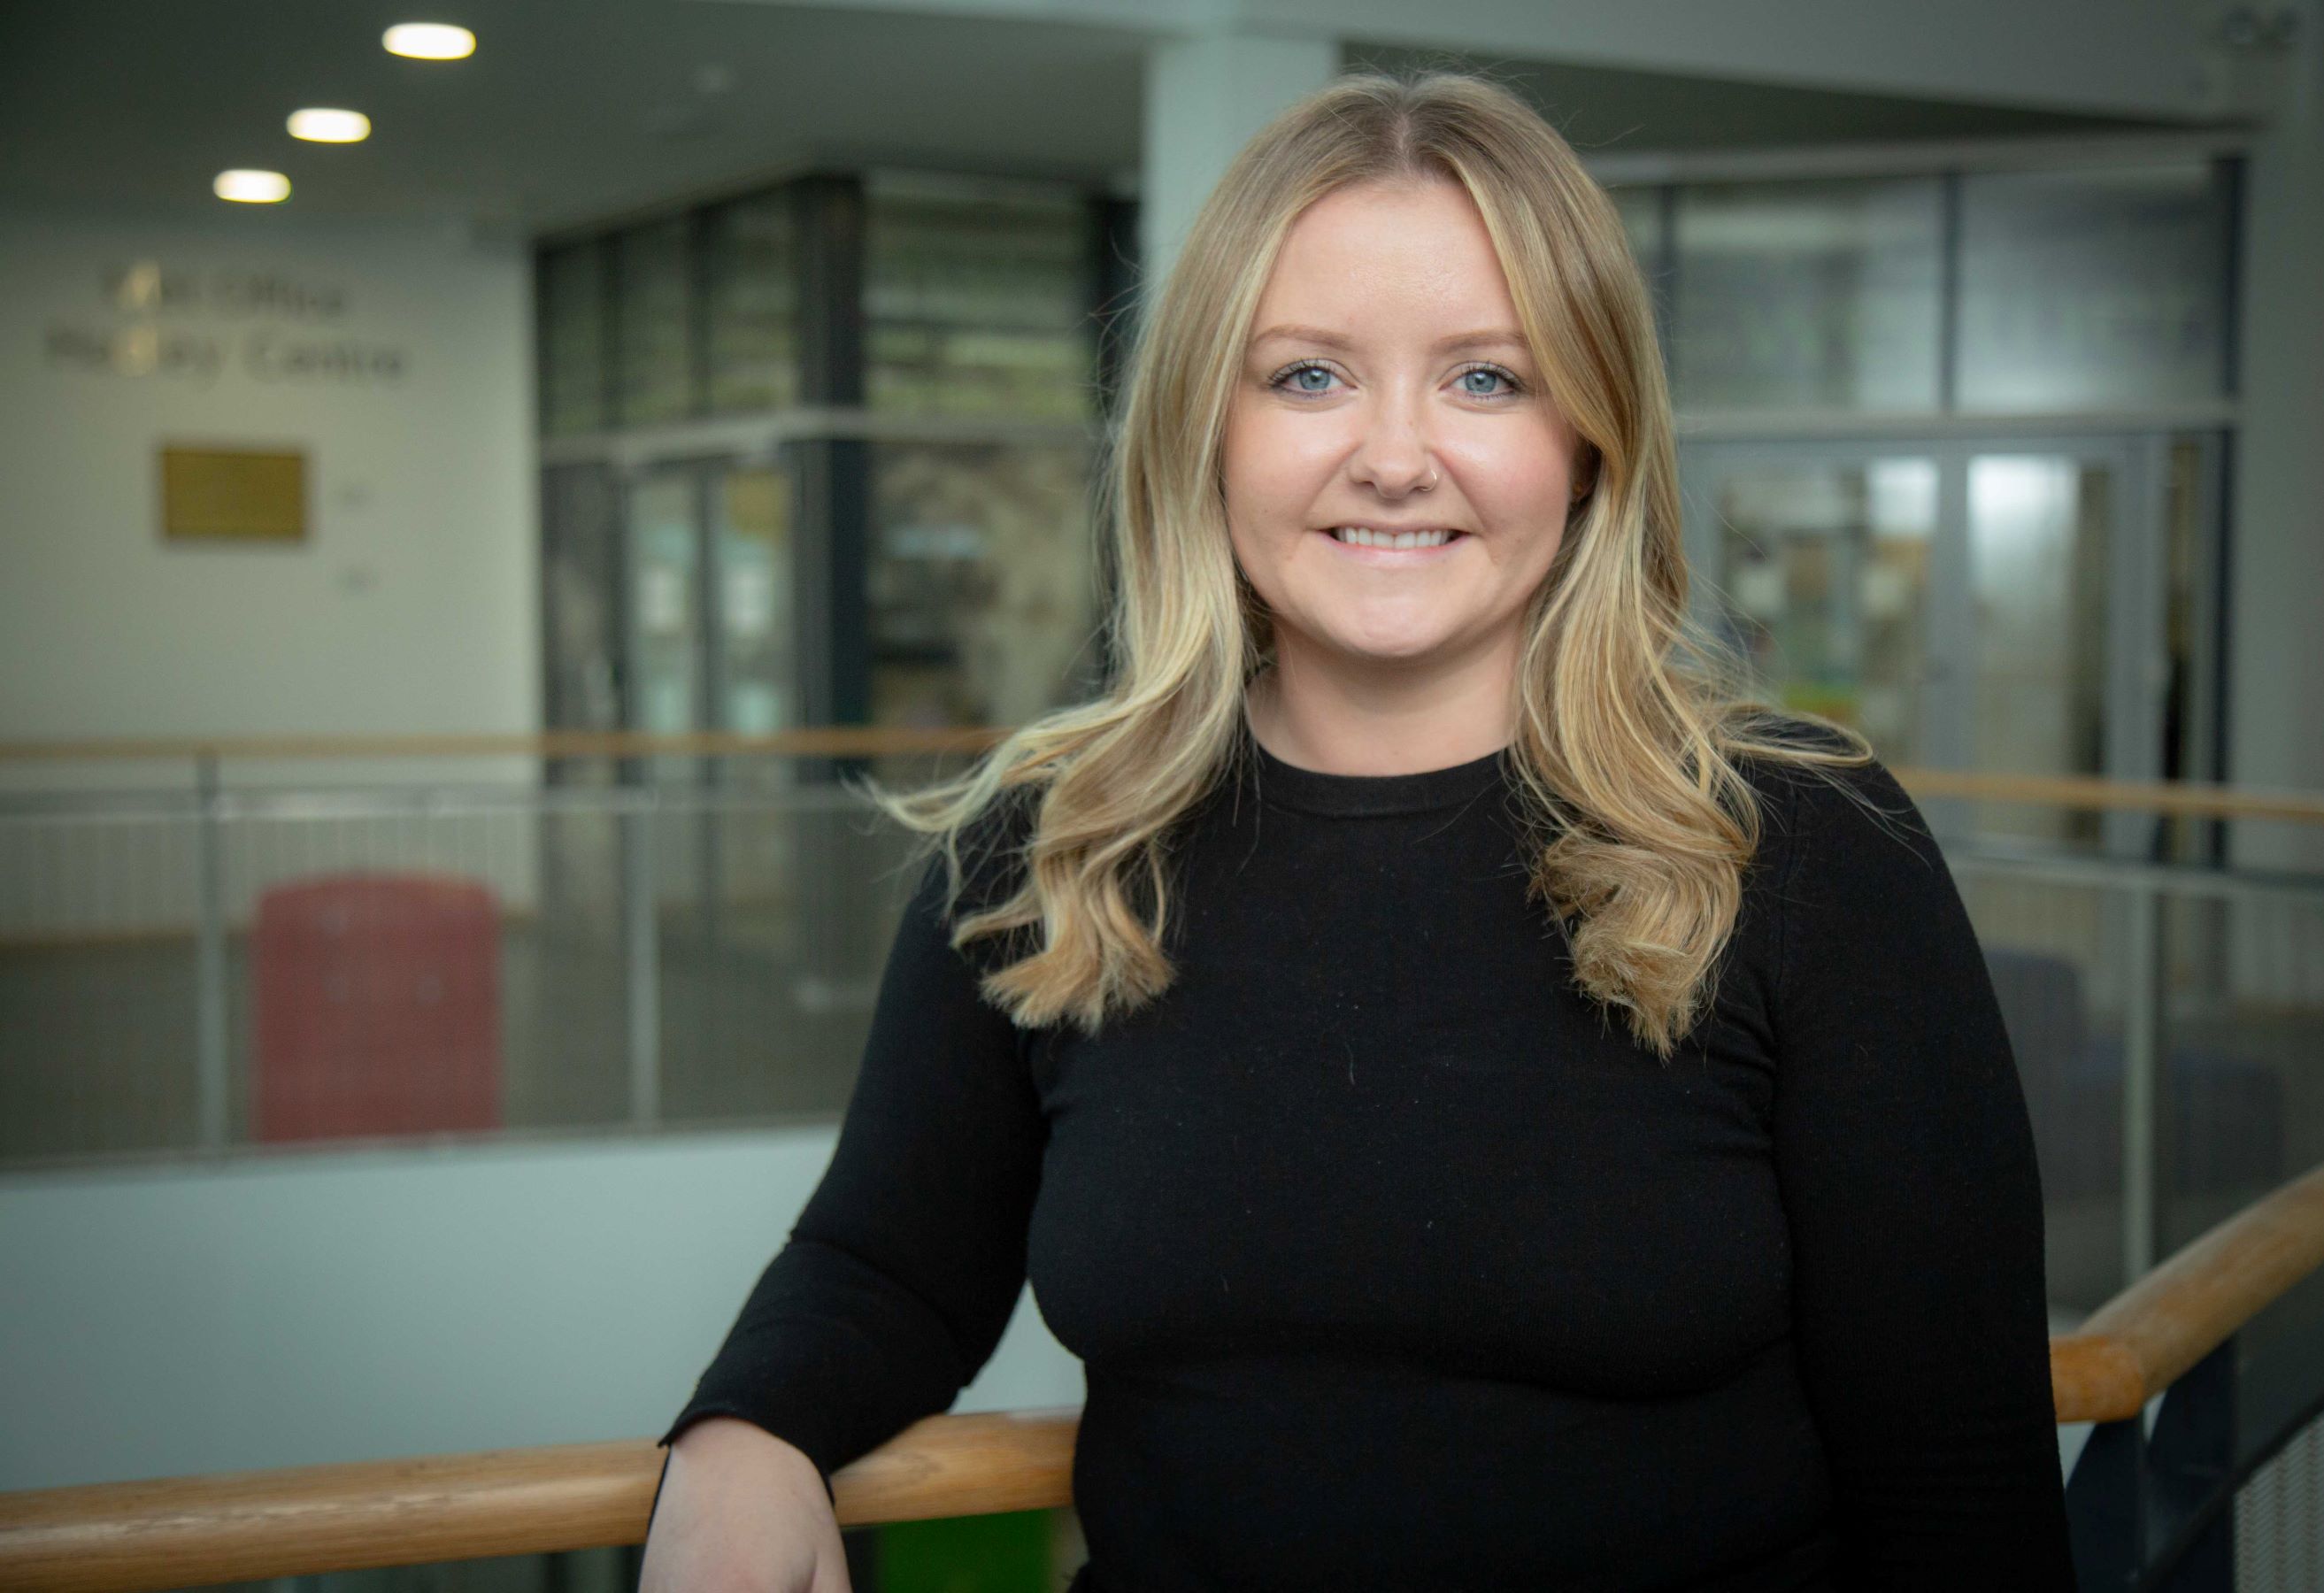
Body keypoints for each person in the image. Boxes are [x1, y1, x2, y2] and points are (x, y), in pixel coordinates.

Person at [638, 69, 2077, 1593]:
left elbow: (1961, 1495)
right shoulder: (1051, 850)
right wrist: (746, 1437)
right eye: (1309, 377)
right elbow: (887, 1265)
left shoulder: (1804, 853)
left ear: (1592, 437)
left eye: (1487, 379)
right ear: (1208, 425)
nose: (1394, 456)